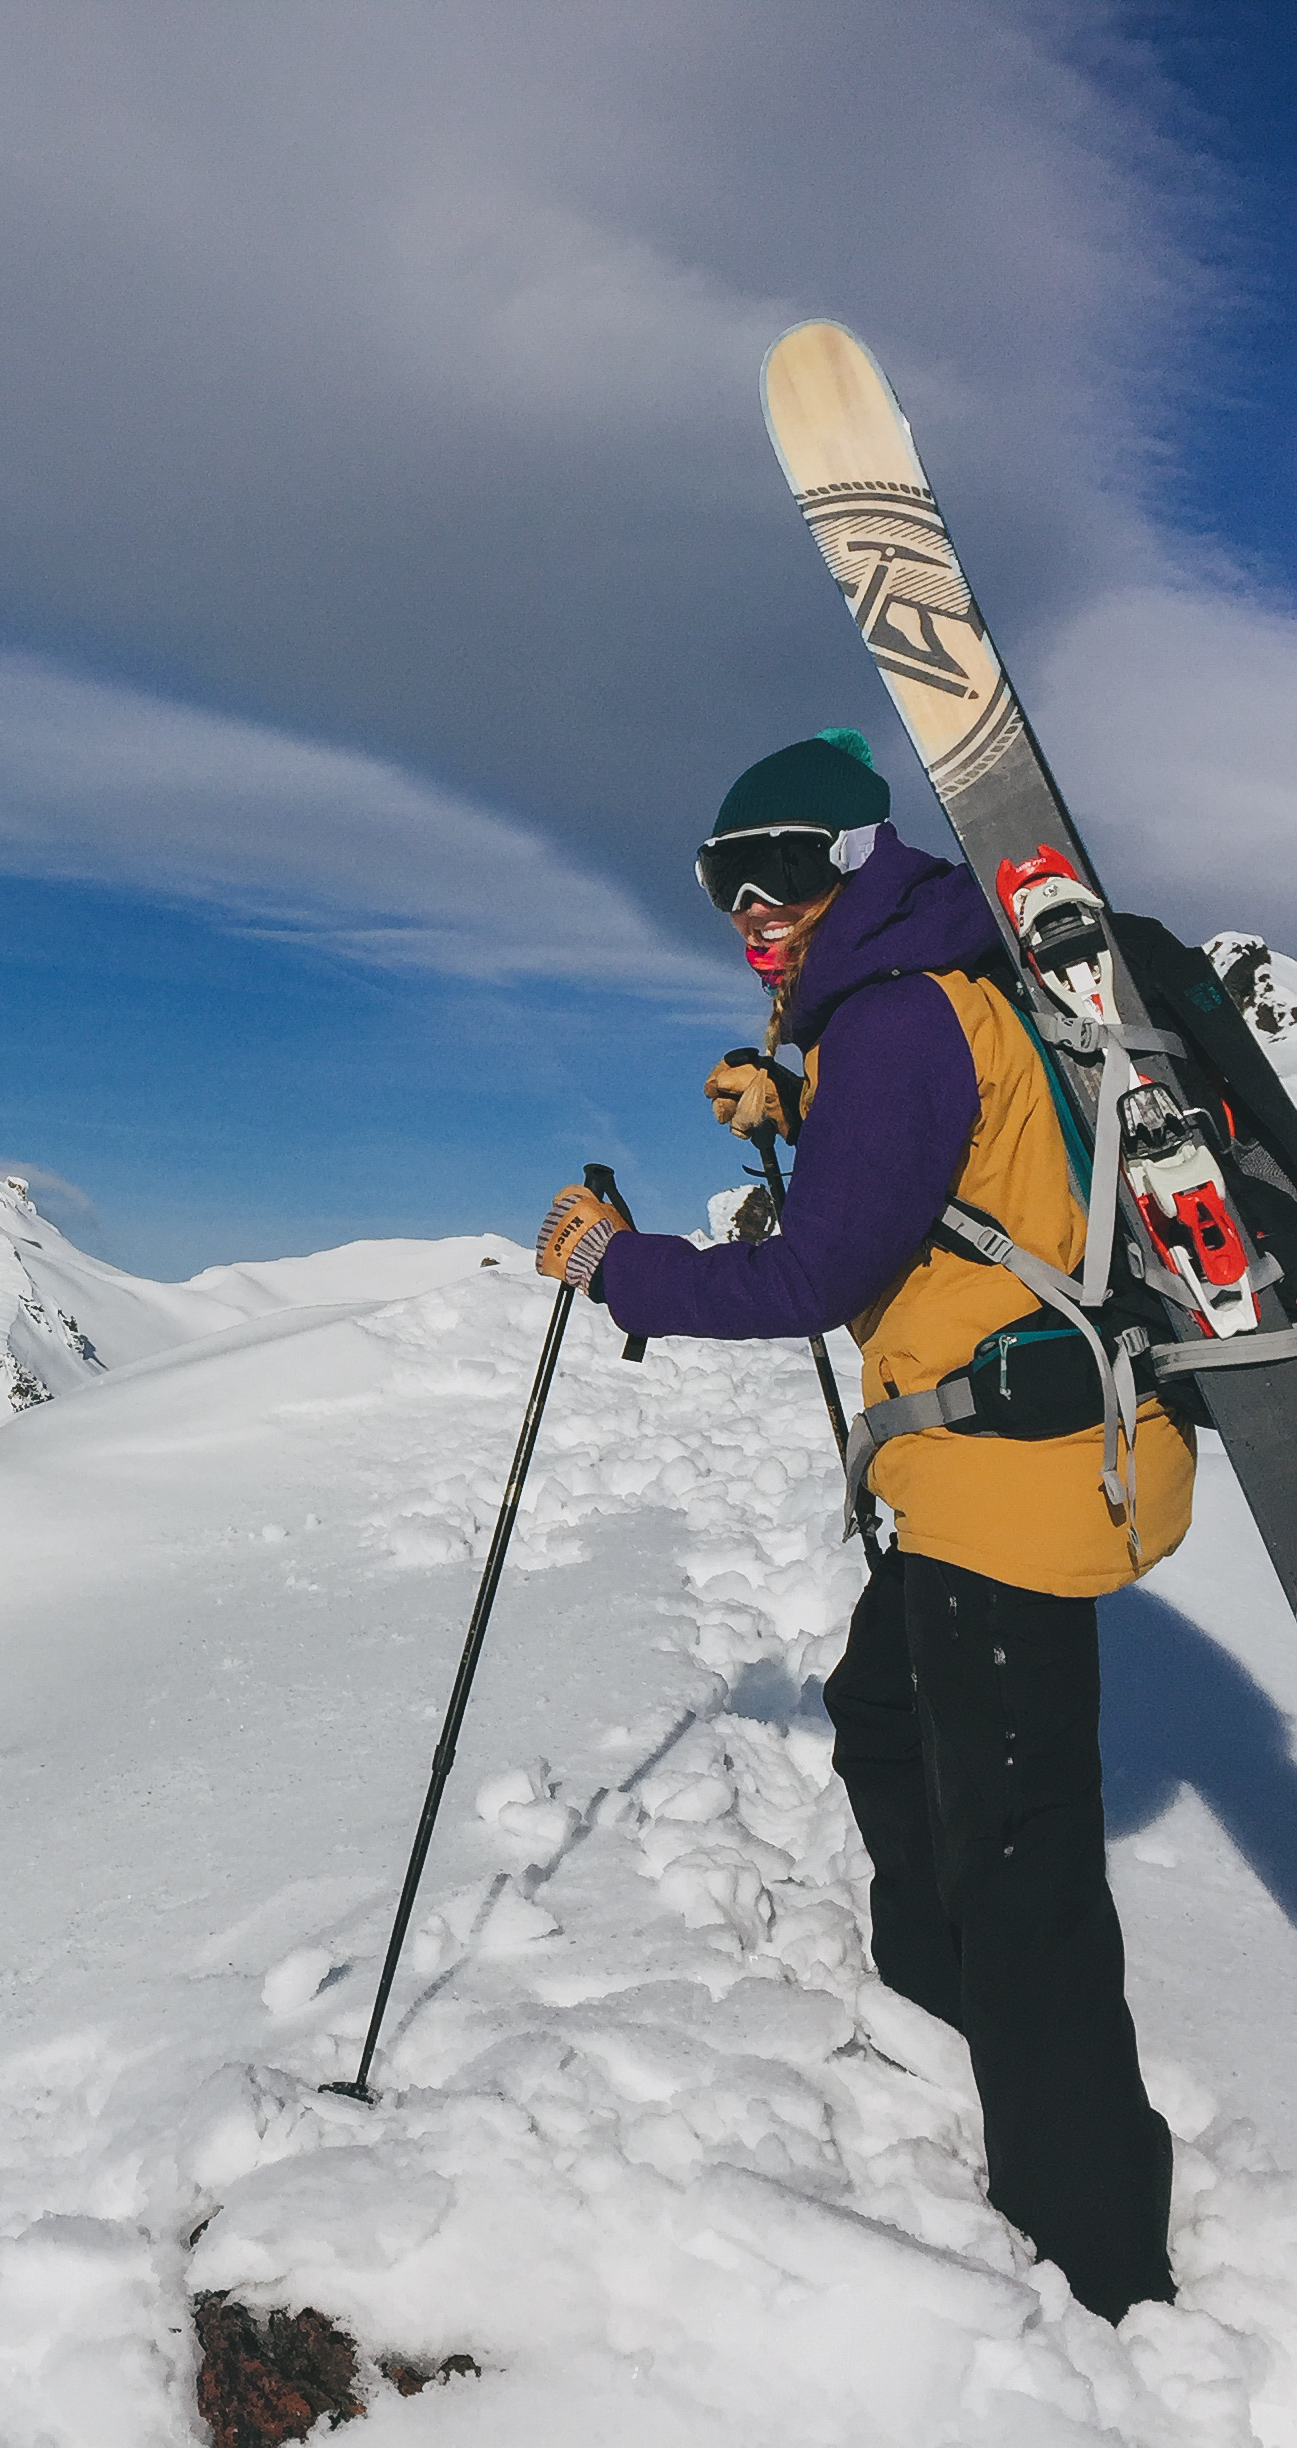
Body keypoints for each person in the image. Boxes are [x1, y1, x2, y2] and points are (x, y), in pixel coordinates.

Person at [533, 730, 1186, 2324]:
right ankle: (934, 1994)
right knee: (881, 1718)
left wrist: (620, 1267)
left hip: (1007, 1497)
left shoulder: (895, 1022)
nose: (754, 911)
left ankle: (1094, 2248)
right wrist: (794, 1089)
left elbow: (812, 1278)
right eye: (720, 885)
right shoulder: (931, 983)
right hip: (994, 1466)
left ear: (858, 860)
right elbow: (950, 1159)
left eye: (787, 874)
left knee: (1026, 1869)